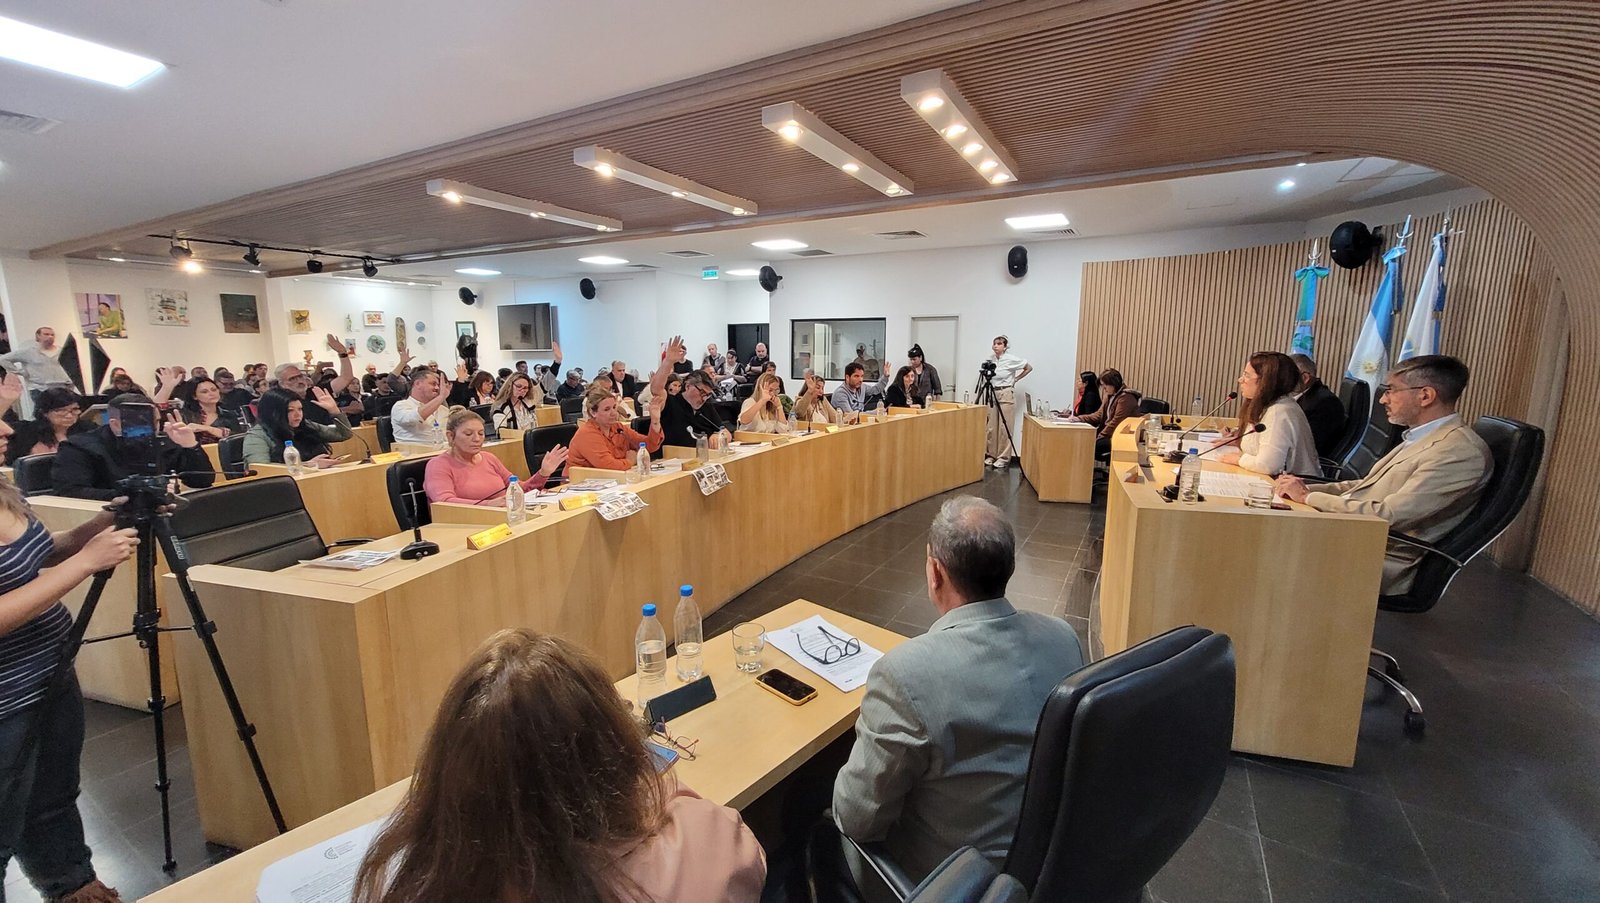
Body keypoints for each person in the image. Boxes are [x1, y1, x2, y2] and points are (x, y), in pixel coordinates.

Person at [351, 628, 764, 903]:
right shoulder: (700, 841)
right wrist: (646, 779)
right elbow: (751, 858)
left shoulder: (410, 881)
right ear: (612, 751)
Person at [831, 496, 1084, 886]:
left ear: (935, 573)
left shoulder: (904, 674)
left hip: (950, 884)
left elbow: (857, 819)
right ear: (1009, 566)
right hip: (1048, 867)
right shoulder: (1063, 637)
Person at [0, 466, 139, 903]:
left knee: (52, 798)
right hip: (5, 703)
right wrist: (86, 562)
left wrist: (96, 527)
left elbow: (34, 554)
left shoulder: (3, 490)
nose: (8, 433)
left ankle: (72, 887)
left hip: (50, 673)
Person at [1275, 355, 1492, 594]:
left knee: (1266, 546)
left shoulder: (1458, 452)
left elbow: (1388, 516)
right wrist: (1300, 489)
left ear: (1425, 396)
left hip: (1378, 557)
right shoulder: (1424, 436)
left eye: (1391, 390)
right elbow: (1366, 486)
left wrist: (1307, 497)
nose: (1382, 399)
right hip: (1353, 536)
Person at [52, 396, 215, 501]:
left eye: (156, 421)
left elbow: (203, 481)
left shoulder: (164, 441)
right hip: (107, 518)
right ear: (116, 424)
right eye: (142, 423)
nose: (153, 429)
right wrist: (138, 493)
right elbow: (70, 492)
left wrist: (190, 445)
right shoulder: (79, 447)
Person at [424, 408, 566, 505]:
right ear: (450, 436)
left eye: (481, 433)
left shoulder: (488, 458)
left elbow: (518, 489)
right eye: (468, 434)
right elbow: (443, 502)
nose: (477, 439)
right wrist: (489, 505)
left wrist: (543, 473)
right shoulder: (438, 465)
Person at [1213, 352, 1320, 476]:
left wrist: (1239, 459)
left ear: (1266, 381)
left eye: (1247, 375)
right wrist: (1237, 441)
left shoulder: (1279, 411)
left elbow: (1268, 465)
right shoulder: (1269, 405)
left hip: (1299, 484)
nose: (1240, 380)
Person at [242, 387, 353, 468]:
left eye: (300, 409)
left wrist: (334, 411)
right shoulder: (257, 436)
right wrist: (308, 465)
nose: (298, 415)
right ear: (274, 413)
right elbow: (261, 468)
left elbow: (344, 434)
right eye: (290, 410)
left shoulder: (306, 425)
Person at [568, 384, 663, 470]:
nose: (613, 413)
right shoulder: (587, 434)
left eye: (614, 407)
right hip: (581, 481)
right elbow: (609, 466)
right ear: (593, 413)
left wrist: (655, 421)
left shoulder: (618, 427)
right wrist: (630, 461)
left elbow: (649, 446)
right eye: (607, 409)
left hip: (612, 478)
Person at [981, 336, 1032, 468]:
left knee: (1005, 426)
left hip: (1005, 392)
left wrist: (1016, 379)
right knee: (991, 426)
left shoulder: (1011, 359)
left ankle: (1003, 457)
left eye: (999, 344)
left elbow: (1028, 367)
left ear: (1005, 346)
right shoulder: (991, 359)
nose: (996, 346)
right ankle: (991, 454)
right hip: (993, 392)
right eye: (994, 344)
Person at [5, 388, 92, 465]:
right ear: (44, 412)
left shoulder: (87, 429)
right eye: (61, 410)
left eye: (75, 409)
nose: (69, 415)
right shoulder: (25, 431)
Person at [1065, 368, 1137, 458]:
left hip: (1119, 435)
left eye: (1105, 385)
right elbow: (1099, 414)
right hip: (1108, 433)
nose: (1103, 389)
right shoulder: (1109, 395)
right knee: (1082, 441)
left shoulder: (1126, 398)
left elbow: (1116, 422)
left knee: (1089, 445)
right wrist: (1079, 418)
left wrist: (1100, 436)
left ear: (1113, 383)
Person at [1290, 354, 1347, 458]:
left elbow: (1307, 446)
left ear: (1305, 378)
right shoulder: (1304, 397)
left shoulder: (1325, 404)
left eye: (1285, 375)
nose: (1280, 381)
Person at [0, 328, 75, 405]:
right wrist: (20, 372)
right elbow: (3, 359)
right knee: (43, 410)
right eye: (46, 334)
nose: (50, 337)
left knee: (66, 409)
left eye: (52, 335)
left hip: (63, 387)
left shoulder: (62, 351)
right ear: (38, 336)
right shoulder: (28, 352)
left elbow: (73, 366)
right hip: (40, 388)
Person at [390, 369, 450, 447]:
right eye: (433, 384)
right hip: (415, 453)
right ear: (418, 384)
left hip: (444, 450)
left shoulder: (443, 409)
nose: (437, 388)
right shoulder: (401, 406)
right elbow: (416, 417)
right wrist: (441, 397)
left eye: (438, 385)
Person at [179, 377, 244, 445]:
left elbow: (238, 439)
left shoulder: (230, 415)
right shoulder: (185, 415)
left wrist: (209, 429)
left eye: (214, 390)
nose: (211, 394)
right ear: (194, 396)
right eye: (204, 392)